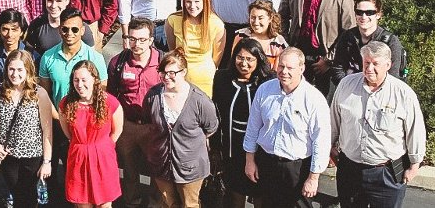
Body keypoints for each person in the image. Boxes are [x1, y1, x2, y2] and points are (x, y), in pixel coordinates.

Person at [330, 42, 426, 208]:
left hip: (386, 174)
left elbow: (415, 131)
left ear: (388, 65)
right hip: (349, 170)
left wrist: (414, 164)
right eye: (366, 63)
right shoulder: (346, 85)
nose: (369, 68)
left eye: (375, 64)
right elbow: (333, 120)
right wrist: (329, 146)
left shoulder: (403, 94)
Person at [243, 47, 331, 208]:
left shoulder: (314, 99)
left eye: (290, 68)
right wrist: (250, 160)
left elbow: (321, 141)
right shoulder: (265, 90)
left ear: (302, 68)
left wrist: (313, 178)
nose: (284, 72)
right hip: (267, 164)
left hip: (296, 169)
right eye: (281, 66)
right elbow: (253, 127)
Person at [38, 7, 107, 204]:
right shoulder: (48, 57)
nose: (70, 34)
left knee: (79, 177)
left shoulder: (95, 58)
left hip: (85, 129)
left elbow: (102, 94)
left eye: (75, 29)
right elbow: (45, 94)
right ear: (59, 29)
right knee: (54, 175)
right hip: (57, 123)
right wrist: (59, 118)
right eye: (65, 29)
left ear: (83, 30)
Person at [142, 48, 219, 208]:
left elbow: (211, 127)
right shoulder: (153, 96)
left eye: (172, 72)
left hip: (190, 167)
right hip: (161, 163)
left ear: (183, 72)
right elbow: (149, 121)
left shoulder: (200, 100)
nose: (166, 77)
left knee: (189, 204)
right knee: (168, 203)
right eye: (162, 72)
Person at [280, 0, 355, 97]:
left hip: (324, 57)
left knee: (321, 99)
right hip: (297, 52)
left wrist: (328, 60)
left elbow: (349, 31)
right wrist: (285, 44)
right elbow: (282, 15)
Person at [106, 17, 163, 208]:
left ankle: (155, 204)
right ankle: (132, 203)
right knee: (129, 171)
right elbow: (111, 96)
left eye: (142, 40)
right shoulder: (118, 62)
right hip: (127, 126)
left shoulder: (163, 62)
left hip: (154, 126)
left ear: (151, 40)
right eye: (132, 39)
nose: (136, 44)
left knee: (157, 171)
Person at [212, 38, 275, 208]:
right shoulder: (222, 79)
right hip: (232, 148)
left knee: (259, 192)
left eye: (249, 59)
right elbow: (215, 114)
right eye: (240, 58)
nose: (244, 63)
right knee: (235, 192)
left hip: (260, 151)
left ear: (258, 60)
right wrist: (215, 147)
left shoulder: (268, 82)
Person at [0, 50, 53, 208]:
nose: (15, 74)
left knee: (29, 196)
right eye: (11, 69)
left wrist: (47, 161)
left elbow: (47, 131)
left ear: (28, 70)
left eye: (20, 70)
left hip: (32, 156)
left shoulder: (39, 94)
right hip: (8, 155)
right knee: (14, 196)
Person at [59, 60, 123, 207]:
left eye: (84, 80)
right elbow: (68, 133)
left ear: (94, 79)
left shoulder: (110, 103)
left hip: (103, 158)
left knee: (105, 205)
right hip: (79, 159)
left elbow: (117, 130)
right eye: (76, 80)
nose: (79, 85)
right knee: (83, 204)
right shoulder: (66, 104)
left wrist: (102, 147)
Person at [165, 0, 226, 98]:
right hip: (180, 78)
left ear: (205, 1)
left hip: (205, 81)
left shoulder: (216, 24)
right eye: (188, 1)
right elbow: (172, 50)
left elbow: (216, 59)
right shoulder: (173, 20)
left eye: (197, 1)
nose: (192, 6)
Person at [330, 0, 404, 85]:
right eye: (359, 12)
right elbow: (338, 70)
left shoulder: (391, 42)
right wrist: (350, 88)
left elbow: (393, 77)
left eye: (369, 12)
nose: (363, 17)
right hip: (351, 90)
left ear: (378, 15)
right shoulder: (346, 37)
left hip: (381, 93)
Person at [0, 8, 39, 109]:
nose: (9, 35)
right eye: (5, 29)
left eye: (14, 29)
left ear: (21, 32)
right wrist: (0, 109)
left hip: (27, 110)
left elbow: (37, 87)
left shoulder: (32, 55)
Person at [26, 0, 95, 56]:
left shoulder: (78, 27)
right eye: (50, 0)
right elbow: (28, 54)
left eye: (58, 1)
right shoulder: (37, 25)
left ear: (67, 1)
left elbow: (92, 57)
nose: (53, 5)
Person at [232, 0, 288, 70]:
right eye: (253, 17)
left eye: (260, 18)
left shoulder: (279, 43)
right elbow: (233, 64)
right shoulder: (240, 36)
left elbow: (275, 74)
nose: (256, 22)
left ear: (270, 18)